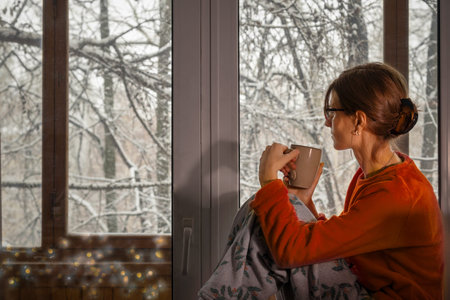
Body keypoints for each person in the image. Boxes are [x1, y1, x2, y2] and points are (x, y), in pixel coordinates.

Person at [253, 62, 444, 299]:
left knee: (263, 216)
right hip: (366, 289)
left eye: (332, 112)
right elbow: (345, 243)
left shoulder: (396, 193)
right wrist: (303, 202)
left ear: (359, 121)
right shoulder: (374, 175)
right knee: (269, 216)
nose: (326, 122)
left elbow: (290, 252)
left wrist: (268, 180)